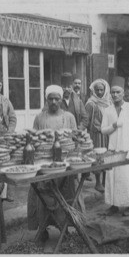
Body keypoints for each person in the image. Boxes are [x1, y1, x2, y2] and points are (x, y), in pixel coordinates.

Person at [28, 85, 78, 241]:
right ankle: (43, 229)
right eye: (51, 98)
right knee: (43, 195)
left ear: (62, 99)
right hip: (44, 162)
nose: (54, 101)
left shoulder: (69, 117)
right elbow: (33, 138)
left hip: (65, 162)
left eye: (57, 98)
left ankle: (65, 229)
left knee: (65, 194)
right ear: (46, 99)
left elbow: (75, 137)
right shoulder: (40, 117)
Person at [102, 76, 129, 217]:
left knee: (127, 175)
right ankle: (114, 205)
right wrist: (113, 126)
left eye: (118, 92)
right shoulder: (108, 110)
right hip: (113, 147)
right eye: (113, 92)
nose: (115, 95)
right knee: (112, 175)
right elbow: (103, 130)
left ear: (123, 93)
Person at [86, 78, 112, 192]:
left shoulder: (109, 102)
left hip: (108, 134)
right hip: (97, 134)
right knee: (98, 157)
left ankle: (105, 181)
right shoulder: (91, 103)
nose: (100, 92)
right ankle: (98, 182)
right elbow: (86, 120)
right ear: (94, 90)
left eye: (102, 90)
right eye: (97, 90)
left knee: (108, 157)